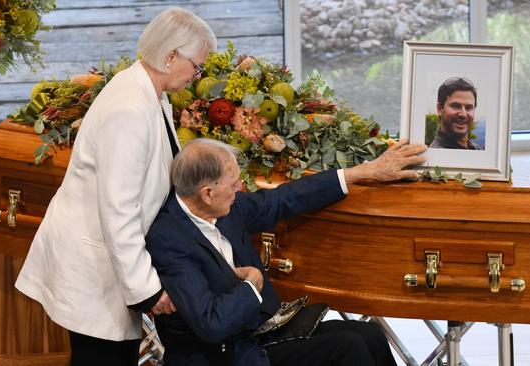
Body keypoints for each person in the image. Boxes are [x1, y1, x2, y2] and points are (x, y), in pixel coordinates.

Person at [14, 8, 216, 366]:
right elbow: (119, 210)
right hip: (95, 266)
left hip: (110, 263)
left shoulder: (150, 92)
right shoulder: (129, 108)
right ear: (171, 57)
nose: (197, 75)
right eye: (197, 66)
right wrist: (148, 290)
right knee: (101, 359)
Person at [145, 138, 427, 365]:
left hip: (261, 330)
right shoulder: (169, 239)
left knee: (369, 333)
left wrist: (363, 172)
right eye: (233, 185)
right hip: (228, 352)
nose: (240, 189)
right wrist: (251, 283)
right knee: (347, 347)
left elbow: (283, 200)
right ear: (207, 193)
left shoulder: (224, 207)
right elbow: (212, 324)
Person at [429, 77, 483, 150]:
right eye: (456, 106)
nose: (463, 114)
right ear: (440, 109)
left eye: (468, 108)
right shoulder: (434, 157)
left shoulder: (477, 149)